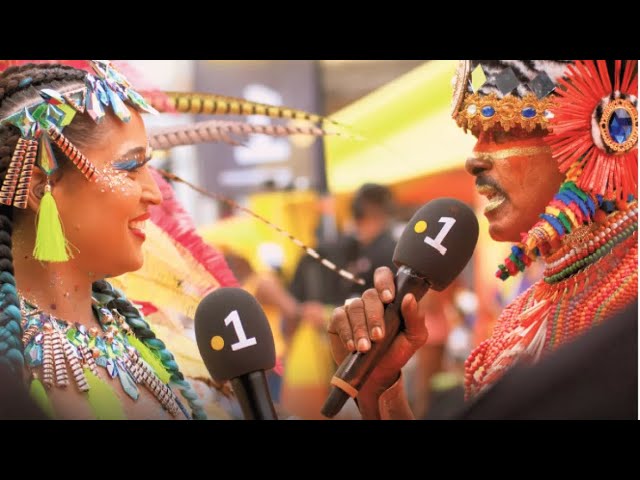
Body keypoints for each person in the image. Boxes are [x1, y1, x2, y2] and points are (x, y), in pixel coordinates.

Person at [0, 60, 333, 420]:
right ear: (41, 187)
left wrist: (373, 389)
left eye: (150, 168)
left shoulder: (151, 344)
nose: (155, 194)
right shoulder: (10, 369)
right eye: (130, 168)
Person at [327, 60, 638, 419]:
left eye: (503, 131)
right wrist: (381, 391)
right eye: (478, 134)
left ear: (602, 134)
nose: (474, 160)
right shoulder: (517, 321)